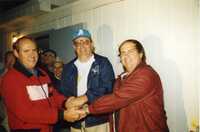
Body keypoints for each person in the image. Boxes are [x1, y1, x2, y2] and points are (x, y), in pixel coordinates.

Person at [1, 36, 86, 132]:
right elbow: (25, 112)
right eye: (26, 51)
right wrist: (62, 115)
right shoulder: (10, 78)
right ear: (16, 53)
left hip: (48, 128)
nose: (32, 55)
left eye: (34, 50)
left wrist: (66, 102)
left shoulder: (42, 73)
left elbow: (53, 95)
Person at [83, 39, 169, 132]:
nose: (126, 55)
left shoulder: (146, 74)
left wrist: (87, 110)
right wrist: (84, 98)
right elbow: (105, 89)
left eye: (130, 51)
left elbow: (116, 99)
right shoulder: (121, 78)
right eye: (122, 53)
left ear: (141, 54)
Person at [60, 29, 115, 132]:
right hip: (75, 121)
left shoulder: (102, 63)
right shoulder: (68, 67)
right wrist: (66, 102)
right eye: (78, 43)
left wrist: (85, 98)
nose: (82, 46)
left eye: (85, 42)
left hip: (98, 120)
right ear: (74, 47)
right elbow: (63, 90)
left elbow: (108, 88)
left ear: (91, 44)